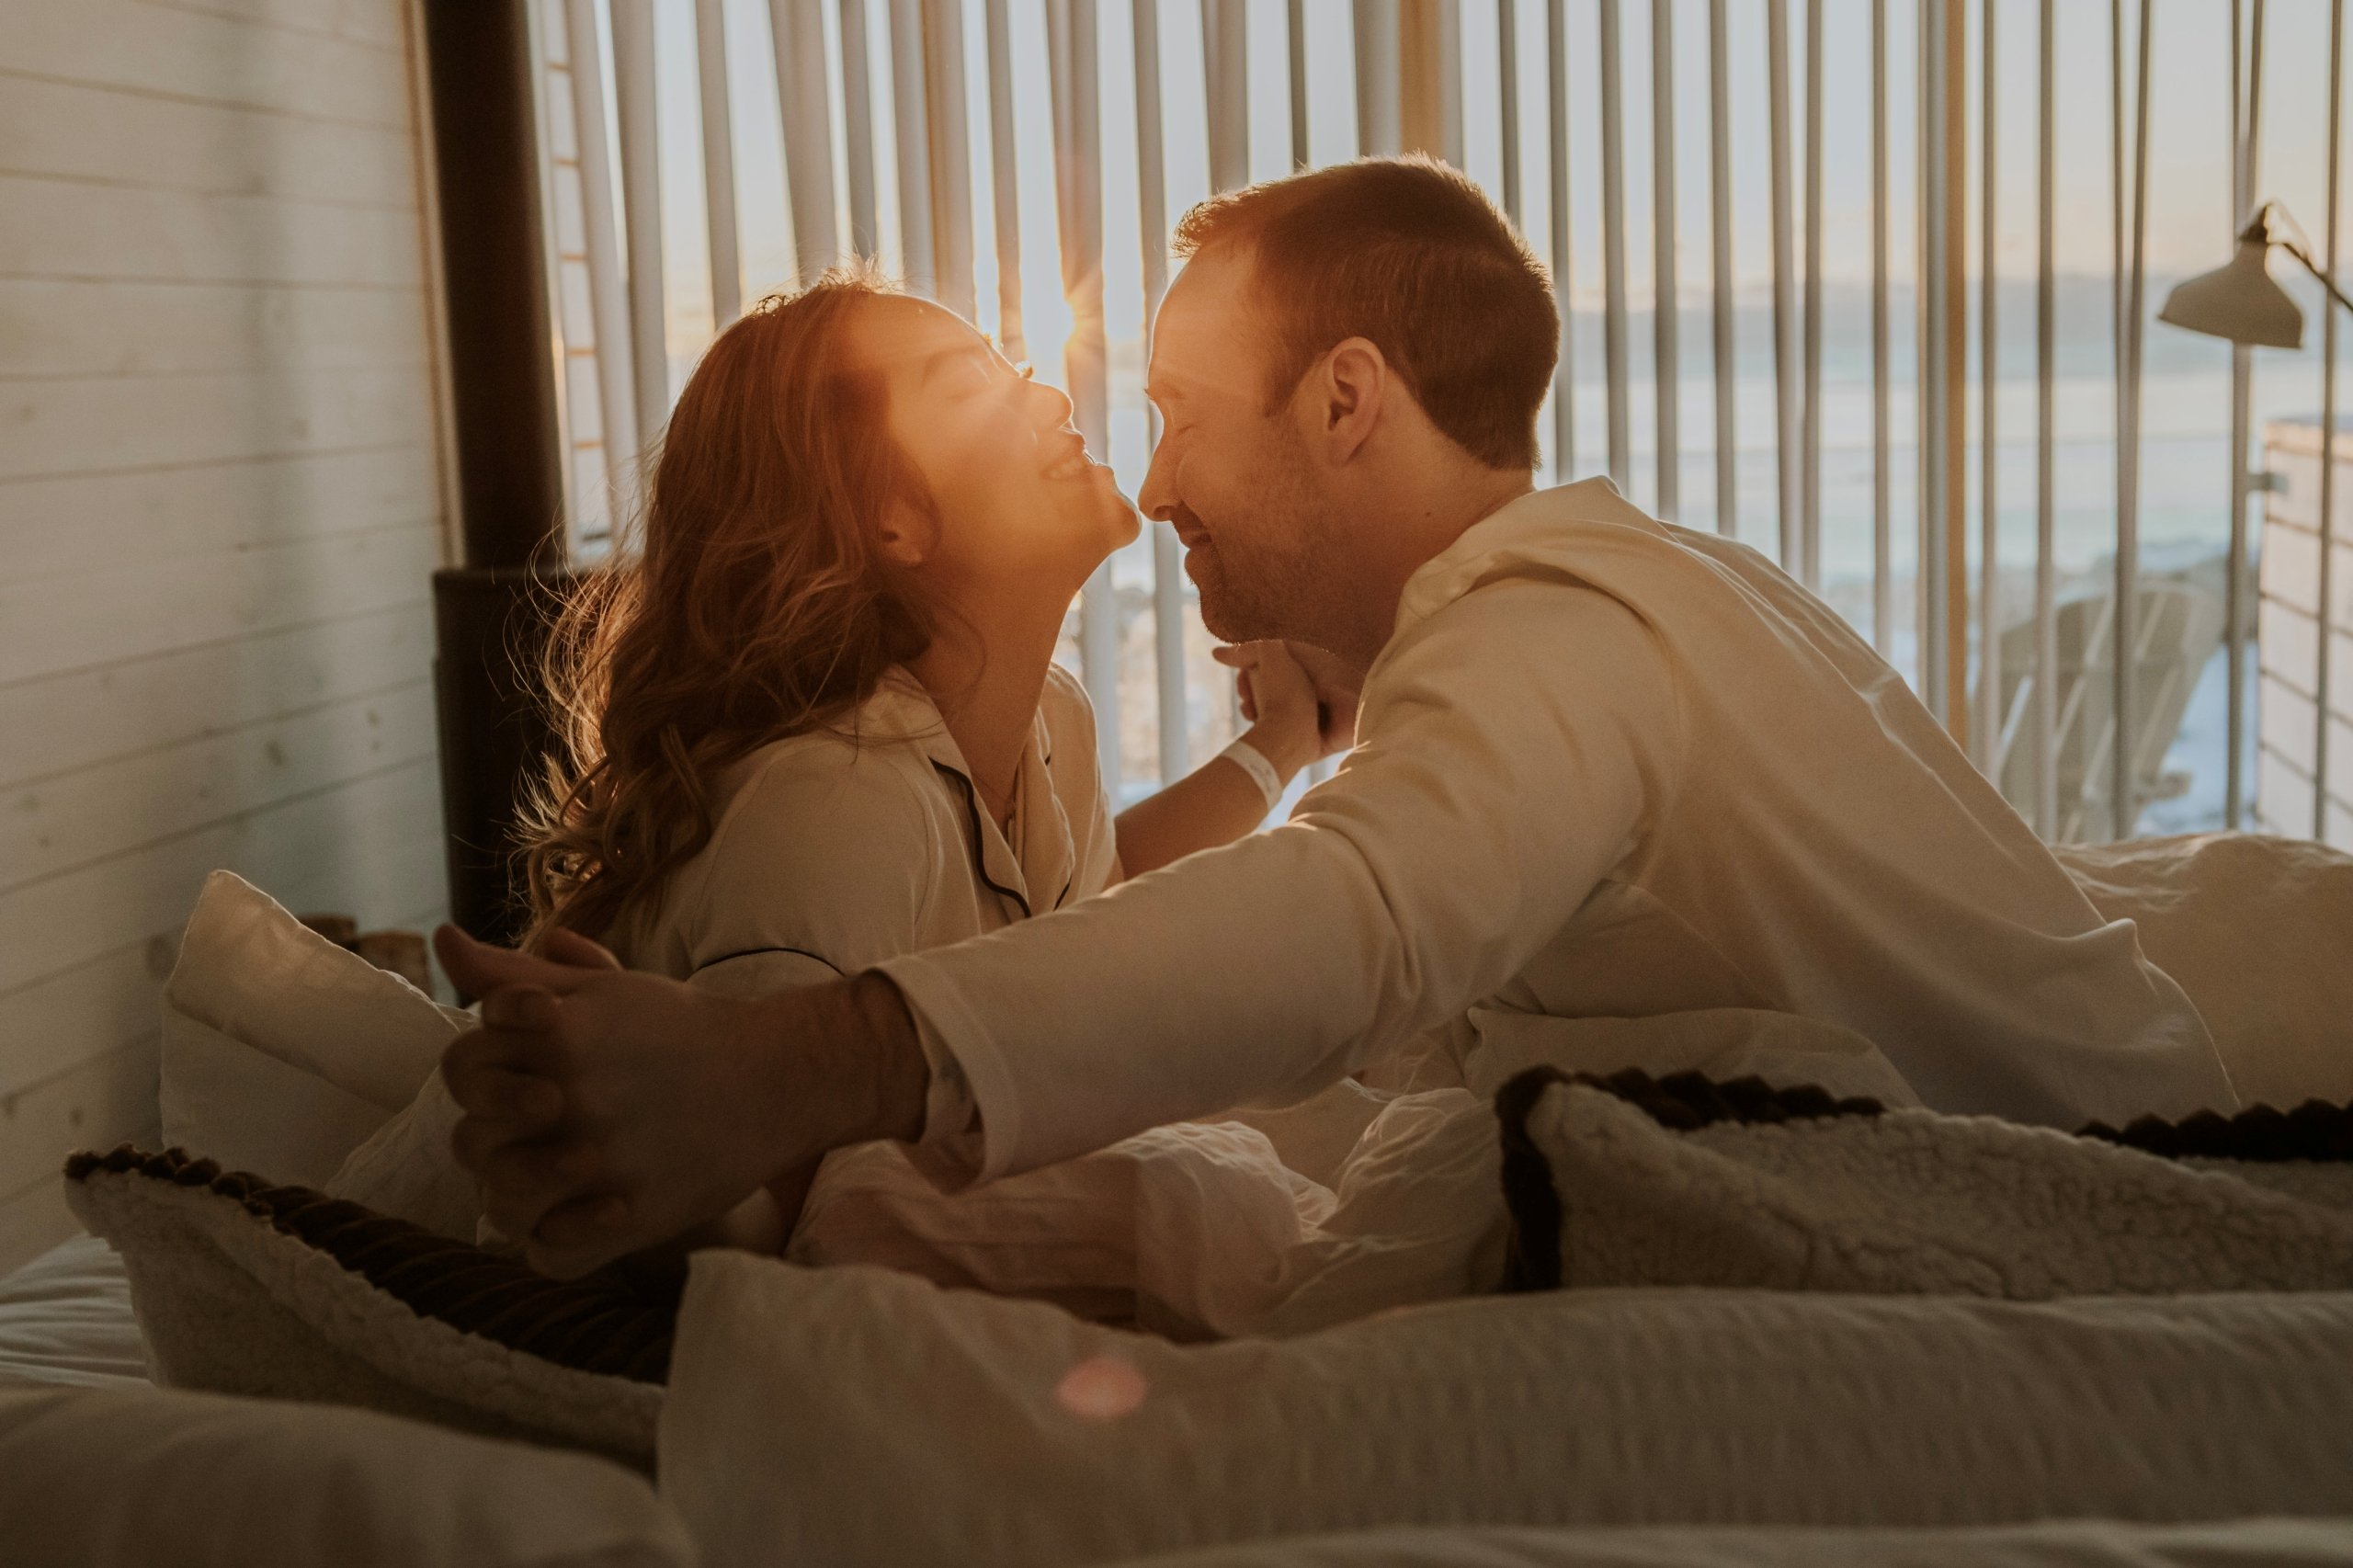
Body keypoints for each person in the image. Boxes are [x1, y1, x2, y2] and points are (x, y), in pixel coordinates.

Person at [437, 156, 2237, 1282]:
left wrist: (771, 1071)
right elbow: (1356, 997)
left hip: (2113, 1211)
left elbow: (1355, 925)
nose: (1148, 483)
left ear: (1346, 403)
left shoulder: (1560, 629)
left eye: (1178, 413)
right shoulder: (1606, 591)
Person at [504, 271, 1340, 1261]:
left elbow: (1095, 906)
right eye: (972, 386)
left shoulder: (1047, 717)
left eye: (1016, 368)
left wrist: (1289, 737)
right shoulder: (831, 800)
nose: (1051, 396)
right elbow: (755, 1189)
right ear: (891, 515)